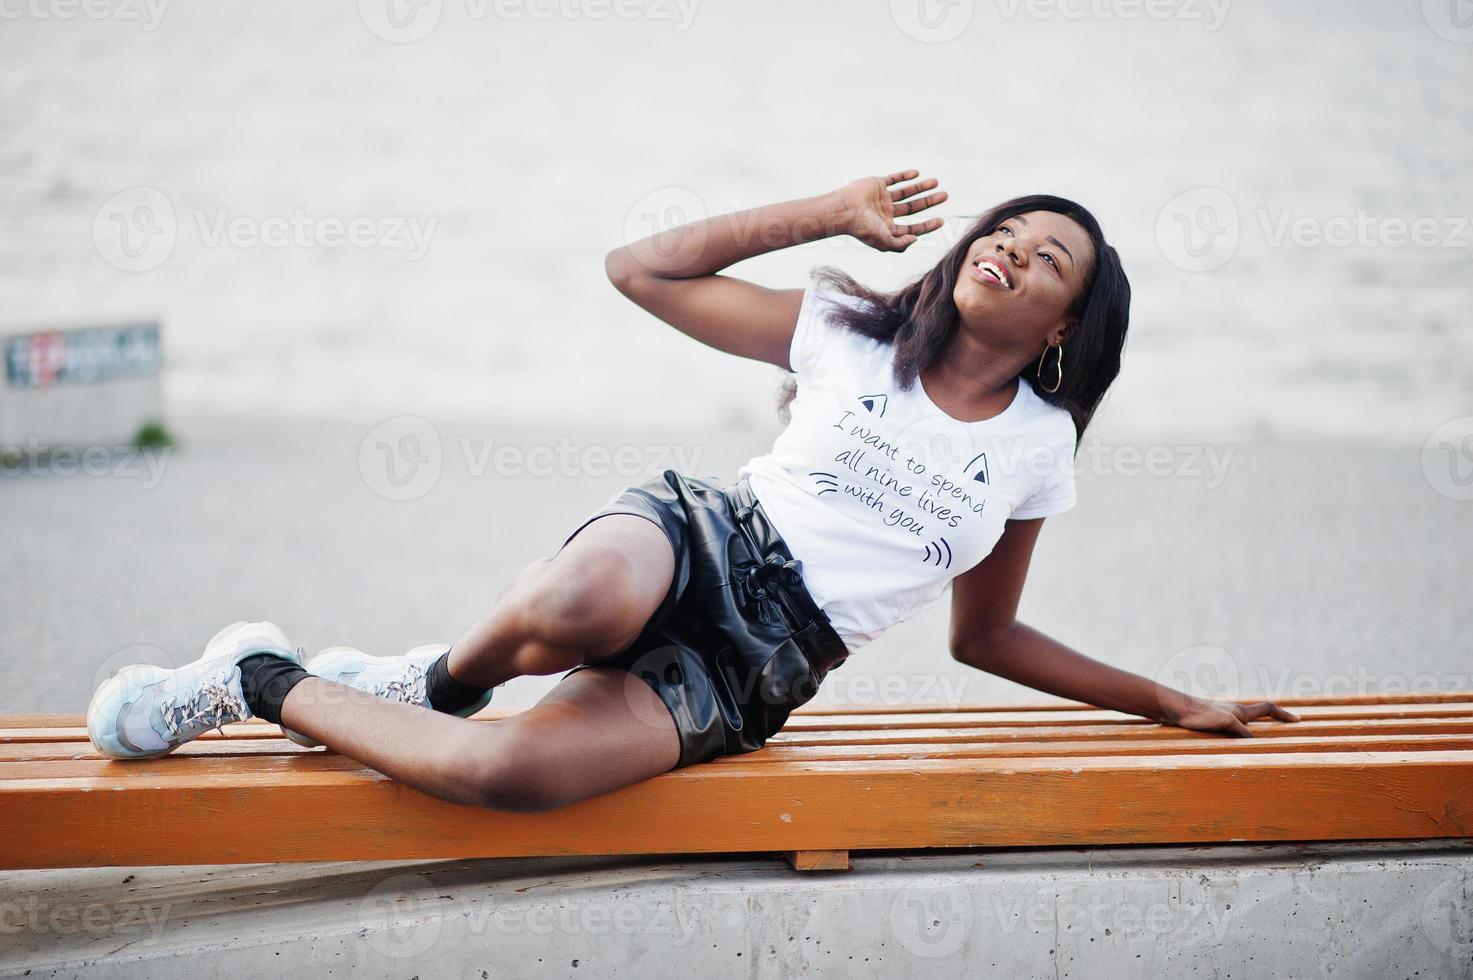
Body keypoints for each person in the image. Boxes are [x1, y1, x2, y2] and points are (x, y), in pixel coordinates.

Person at [86, 170, 1300, 811]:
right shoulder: (850, 330)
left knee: (510, 780)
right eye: (1008, 228)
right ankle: (436, 681)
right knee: (574, 606)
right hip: (710, 538)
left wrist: (1165, 698)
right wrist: (828, 211)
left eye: (1050, 257)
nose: (1014, 249)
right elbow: (639, 268)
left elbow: (987, 636)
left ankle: (258, 674)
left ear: (1068, 322)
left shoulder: (1038, 447)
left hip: (764, 662)